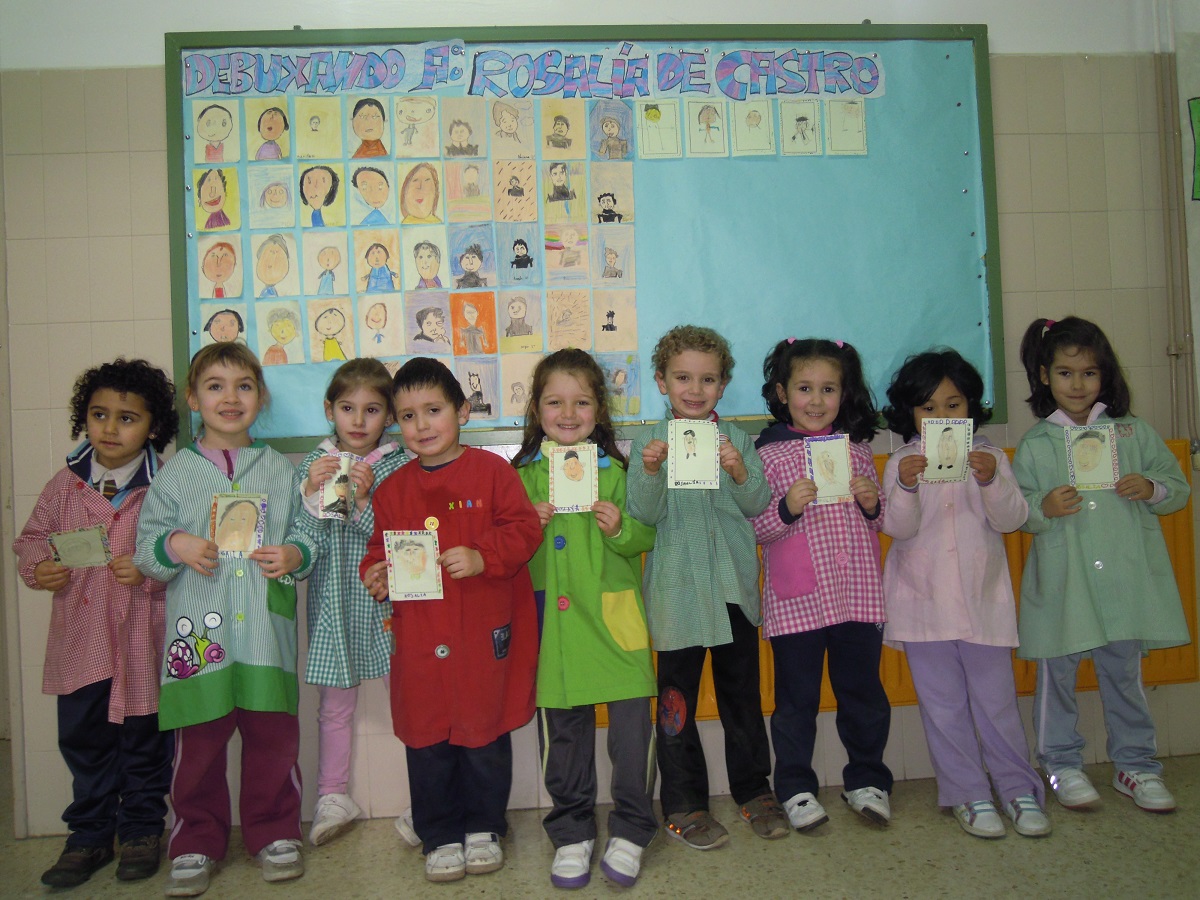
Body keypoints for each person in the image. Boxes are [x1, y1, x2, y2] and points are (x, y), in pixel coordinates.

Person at [133, 343, 315, 897]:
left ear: (260, 397)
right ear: (193, 399)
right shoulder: (174, 475)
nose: (230, 397)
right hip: (200, 639)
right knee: (199, 748)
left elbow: (307, 534)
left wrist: (295, 554)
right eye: (215, 386)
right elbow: (146, 551)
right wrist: (175, 544)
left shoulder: (281, 471)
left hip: (265, 636)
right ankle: (194, 839)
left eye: (243, 386)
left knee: (274, 741)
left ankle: (275, 832)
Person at [360, 358, 542, 883]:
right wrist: (376, 573)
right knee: (427, 740)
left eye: (433, 410)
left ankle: (484, 827)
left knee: (483, 734)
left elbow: (524, 530)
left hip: (478, 633)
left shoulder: (493, 473)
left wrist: (484, 556)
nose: (422, 425)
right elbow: (378, 551)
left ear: (461, 411)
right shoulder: (392, 490)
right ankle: (438, 834)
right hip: (420, 638)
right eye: (408, 416)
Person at [13, 359, 179, 889]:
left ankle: (141, 831)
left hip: (142, 642)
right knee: (85, 741)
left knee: (145, 742)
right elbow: (30, 540)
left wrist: (150, 568)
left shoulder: (167, 486)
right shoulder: (64, 487)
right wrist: (39, 567)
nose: (110, 428)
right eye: (99, 414)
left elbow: (183, 553)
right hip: (82, 644)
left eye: (127, 418)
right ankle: (88, 836)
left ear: (153, 427)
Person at [1015, 316, 1190, 814]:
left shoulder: (1132, 433)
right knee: (1057, 678)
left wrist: (1151, 488)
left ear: (1104, 375)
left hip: (1122, 583)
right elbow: (1015, 508)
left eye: (1089, 373)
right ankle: (1060, 764)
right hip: (1064, 586)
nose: (1078, 385)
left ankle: (1136, 765)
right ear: (1045, 376)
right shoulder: (1036, 444)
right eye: (1065, 373)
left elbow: (1177, 488)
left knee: (1124, 676)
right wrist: (1042, 508)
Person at [880, 350, 1050, 839]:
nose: (942, 416)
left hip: (983, 603)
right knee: (943, 708)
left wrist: (990, 479)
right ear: (911, 413)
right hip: (924, 607)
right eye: (928, 407)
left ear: (971, 407)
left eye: (953, 405)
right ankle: (967, 793)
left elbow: (1012, 519)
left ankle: (1018, 789)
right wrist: (907, 486)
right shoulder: (902, 462)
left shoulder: (991, 457)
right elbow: (897, 528)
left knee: (997, 704)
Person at [626, 325, 784, 849]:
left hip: (732, 591)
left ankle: (754, 789)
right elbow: (643, 513)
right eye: (682, 378)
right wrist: (651, 469)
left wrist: (738, 470)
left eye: (708, 379)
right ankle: (683, 802)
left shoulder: (736, 438)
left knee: (742, 699)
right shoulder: (649, 443)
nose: (695, 389)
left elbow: (757, 503)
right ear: (661, 382)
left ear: (723, 385)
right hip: (677, 597)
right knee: (676, 705)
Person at [511, 350, 658, 889]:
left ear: (600, 410)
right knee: (564, 737)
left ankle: (633, 827)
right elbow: (503, 550)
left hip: (615, 622)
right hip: (556, 627)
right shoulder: (520, 477)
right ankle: (571, 831)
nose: (568, 413)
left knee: (632, 734)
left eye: (581, 402)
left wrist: (620, 529)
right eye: (555, 402)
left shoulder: (618, 472)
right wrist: (525, 528)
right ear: (536, 409)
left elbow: (647, 534)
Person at [751, 338, 894, 833]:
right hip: (798, 601)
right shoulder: (768, 454)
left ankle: (868, 780)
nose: (816, 400)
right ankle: (795, 787)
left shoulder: (857, 450)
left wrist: (872, 504)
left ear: (843, 393)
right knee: (796, 701)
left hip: (856, 595)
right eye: (804, 388)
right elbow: (756, 529)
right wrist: (787, 507)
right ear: (782, 392)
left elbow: (881, 521)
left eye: (828, 389)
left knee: (863, 694)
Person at [290, 359, 408, 846]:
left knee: (409, 694)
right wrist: (310, 490)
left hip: (387, 600)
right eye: (347, 408)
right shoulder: (315, 464)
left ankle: (428, 791)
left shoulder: (398, 465)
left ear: (389, 417)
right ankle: (332, 795)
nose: (358, 420)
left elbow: (393, 535)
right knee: (334, 704)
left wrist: (361, 501)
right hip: (334, 599)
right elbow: (305, 536)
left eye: (372, 410)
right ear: (329, 410)